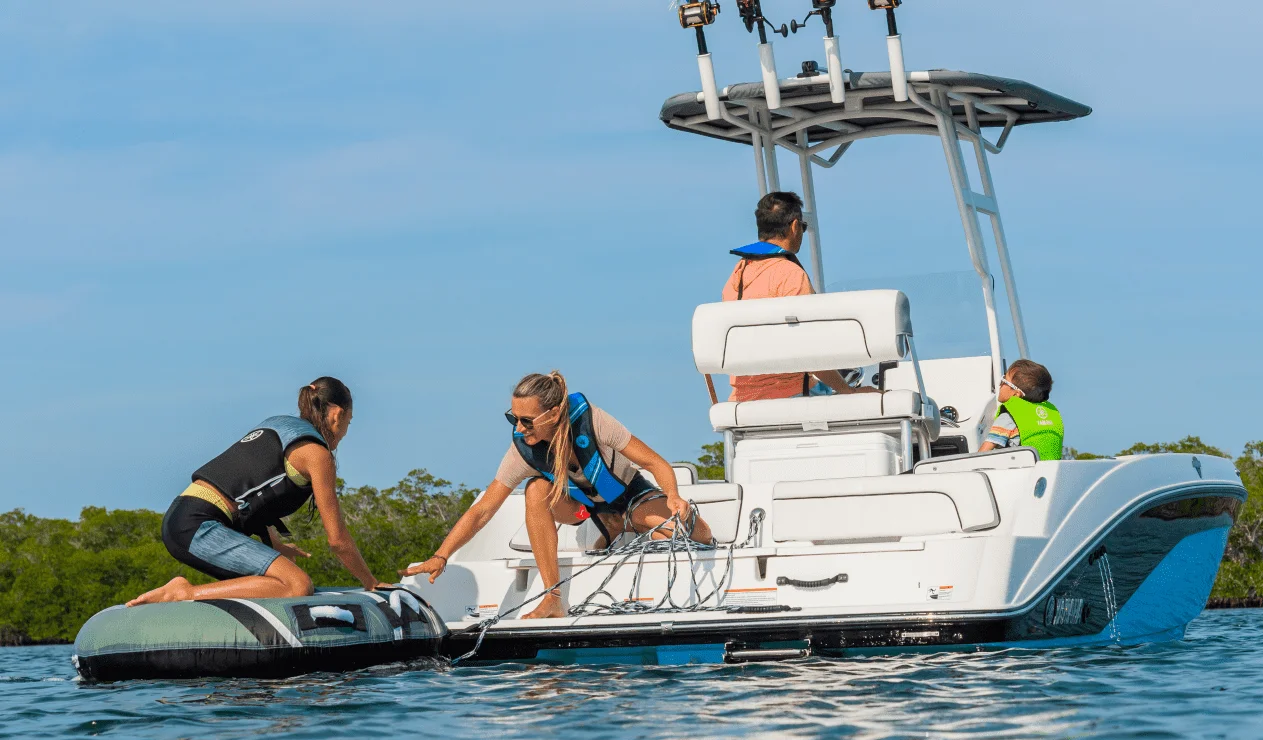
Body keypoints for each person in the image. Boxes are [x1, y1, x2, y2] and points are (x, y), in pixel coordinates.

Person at [405, 372, 711, 620]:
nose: (519, 428)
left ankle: (627, 523)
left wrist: (673, 496)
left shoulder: (594, 422)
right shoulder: (522, 451)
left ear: (552, 414)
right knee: (536, 489)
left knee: (697, 533)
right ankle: (552, 597)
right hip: (584, 509)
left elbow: (655, 462)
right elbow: (483, 510)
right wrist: (441, 555)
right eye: (514, 419)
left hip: (630, 495)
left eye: (527, 420)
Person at [129, 377, 389, 606]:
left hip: (183, 515)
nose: (344, 434)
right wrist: (370, 582)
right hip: (199, 527)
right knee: (297, 585)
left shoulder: (277, 424)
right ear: (338, 415)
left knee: (278, 580)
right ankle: (183, 593)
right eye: (348, 423)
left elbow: (252, 492)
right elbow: (337, 540)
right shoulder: (317, 454)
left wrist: (276, 547)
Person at [722, 191, 873, 402]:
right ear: (794, 226)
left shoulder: (737, 275)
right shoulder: (790, 275)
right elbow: (810, 352)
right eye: (802, 226)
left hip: (742, 398)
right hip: (791, 394)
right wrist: (849, 391)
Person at [978, 360, 1065, 459]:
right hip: (1047, 468)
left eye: (1004, 381)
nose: (999, 385)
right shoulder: (1050, 414)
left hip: (1018, 468)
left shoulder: (1007, 418)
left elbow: (981, 455)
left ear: (1016, 394)